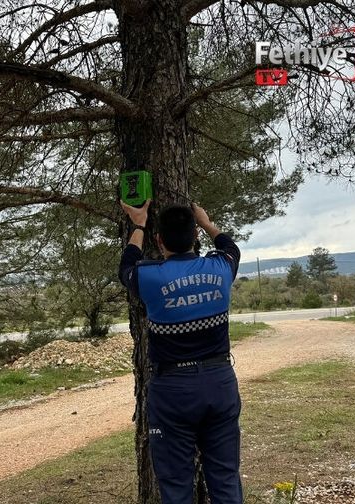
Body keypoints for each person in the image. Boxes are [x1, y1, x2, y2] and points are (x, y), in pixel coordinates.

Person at [118, 200, 242, 504]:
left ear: (159, 241)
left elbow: (126, 265)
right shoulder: (222, 266)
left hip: (173, 389)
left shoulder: (149, 277)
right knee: (225, 478)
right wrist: (207, 222)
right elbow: (230, 246)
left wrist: (138, 224)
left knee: (176, 485)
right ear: (196, 237)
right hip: (219, 381)